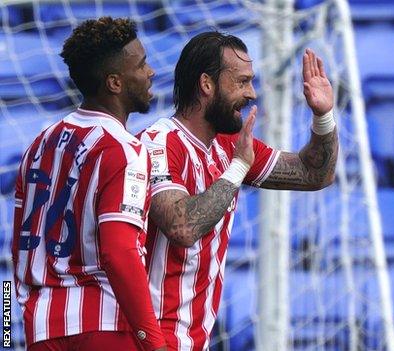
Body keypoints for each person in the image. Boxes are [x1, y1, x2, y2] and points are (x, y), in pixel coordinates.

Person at [137, 31, 338, 350]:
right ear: (207, 85)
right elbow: (182, 227)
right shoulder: (159, 144)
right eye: (242, 82)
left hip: (191, 340)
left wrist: (323, 116)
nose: (252, 94)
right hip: (151, 340)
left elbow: (315, 174)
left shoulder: (228, 146)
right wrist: (238, 168)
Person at [12, 17, 166, 350]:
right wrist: (154, 342)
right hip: (105, 328)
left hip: (42, 329)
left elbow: (20, 245)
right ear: (115, 83)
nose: (151, 72)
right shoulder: (124, 149)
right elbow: (118, 250)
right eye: (141, 65)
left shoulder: (38, 146)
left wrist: (17, 320)